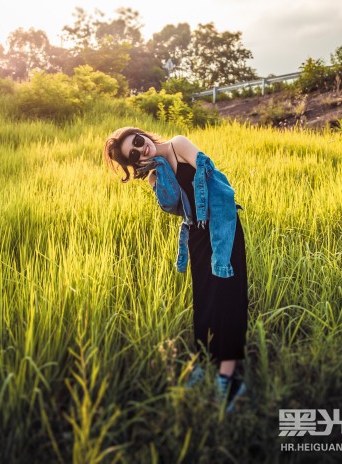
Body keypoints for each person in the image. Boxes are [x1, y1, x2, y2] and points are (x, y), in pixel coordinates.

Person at [103, 127, 248, 412]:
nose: (141, 150)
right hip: (197, 233)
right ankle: (205, 363)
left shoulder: (178, 144)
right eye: (133, 155)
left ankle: (228, 378)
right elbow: (172, 206)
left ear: (143, 135)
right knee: (204, 302)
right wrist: (156, 173)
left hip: (221, 225)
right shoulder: (155, 175)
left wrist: (166, 164)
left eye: (138, 143)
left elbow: (209, 172)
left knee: (228, 299)